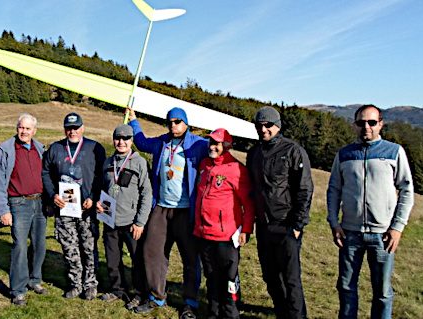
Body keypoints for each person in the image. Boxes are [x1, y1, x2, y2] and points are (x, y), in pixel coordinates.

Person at [326, 104, 414, 319]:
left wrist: (397, 228)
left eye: (372, 122)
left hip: (383, 235)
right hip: (349, 233)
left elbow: (407, 190)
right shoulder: (345, 154)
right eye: (361, 122)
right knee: (346, 287)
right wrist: (334, 223)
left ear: (380, 124)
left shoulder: (394, 152)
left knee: (382, 292)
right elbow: (334, 189)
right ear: (354, 125)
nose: (366, 126)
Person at [127, 106, 208, 319]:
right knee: (152, 252)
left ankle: (190, 303)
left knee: (190, 258)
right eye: (170, 122)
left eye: (177, 121)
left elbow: (218, 150)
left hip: (186, 212)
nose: (173, 125)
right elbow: (142, 142)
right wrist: (133, 121)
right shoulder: (162, 142)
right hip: (161, 208)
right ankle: (156, 297)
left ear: (186, 122)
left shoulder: (199, 144)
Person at [247, 106, 313, 319]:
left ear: (278, 126)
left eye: (268, 125)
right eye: (259, 125)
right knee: (270, 276)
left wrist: (297, 226)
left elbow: (304, 189)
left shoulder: (293, 151)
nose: (264, 129)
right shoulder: (254, 153)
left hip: (286, 225)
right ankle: (281, 313)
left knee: (291, 278)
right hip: (263, 225)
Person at [42, 112, 106, 300]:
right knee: (69, 248)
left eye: (76, 127)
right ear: (64, 129)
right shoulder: (55, 148)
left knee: (88, 247)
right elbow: (45, 173)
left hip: (86, 209)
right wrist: (52, 194)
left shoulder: (95, 148)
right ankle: (75, 284)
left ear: (83, 127)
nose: (73, 131)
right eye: (69, 128)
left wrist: (94, 198)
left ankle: (90, 284)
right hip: (64, 209)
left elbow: (102, 176)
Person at [194, 128, 255, 319]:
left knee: (228, 278)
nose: (212, 146)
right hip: (204, 233)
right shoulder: (204, 164)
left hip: (226, 236)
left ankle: (230, 313)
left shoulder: (236, 169)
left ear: (226, 145)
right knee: (211, 277)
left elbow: (248, 203)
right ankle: (213, 312)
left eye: (217, 143)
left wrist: (246, 230)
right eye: (211, 142)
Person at [0, 113, 47, 306]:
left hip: (39, 203)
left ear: (34, 131)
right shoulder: (6, 149)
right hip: (18, 203)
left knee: (39, 244)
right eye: (21, 127)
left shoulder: (40, 148)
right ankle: (18, 289)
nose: (24, 131)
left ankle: (35, 279)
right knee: (20, 246)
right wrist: (2, 210)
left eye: (28, 128)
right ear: (17, 128)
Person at [95, 124, 152, 308]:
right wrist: (99, 203)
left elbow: (147, 194)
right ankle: (116, 289)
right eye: (118, 138)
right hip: (110, 219)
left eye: (125, 138)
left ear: (131, 141)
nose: (121, 142)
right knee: (112, 259)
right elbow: (104, 189)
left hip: (131, 223)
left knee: (137, 260)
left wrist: (140, 222)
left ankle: (140, 293)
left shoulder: (139, 162)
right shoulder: (107, 162)